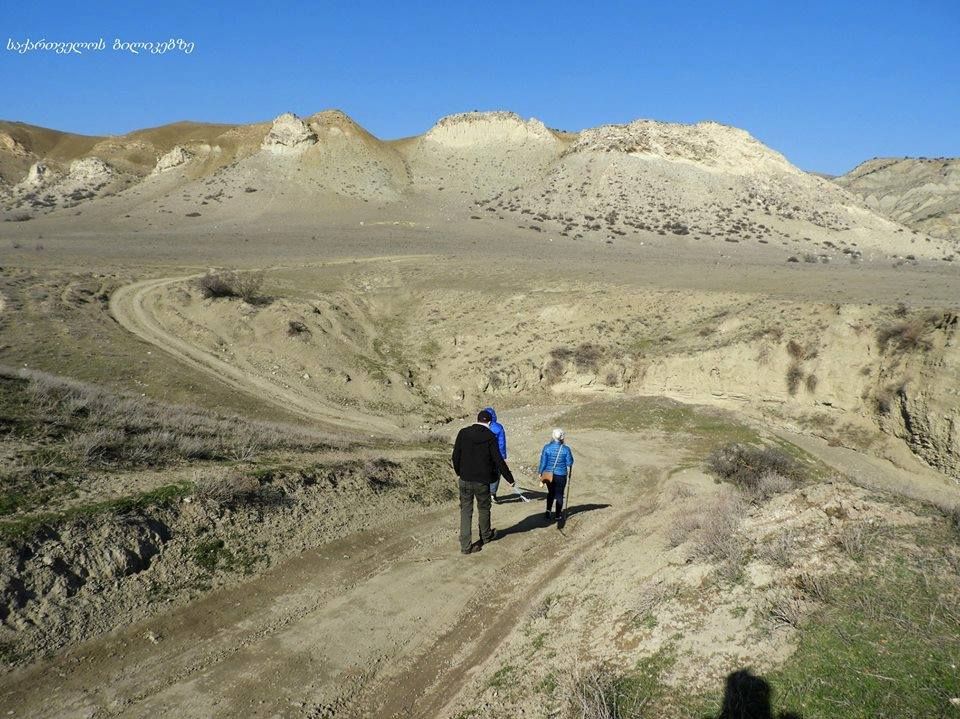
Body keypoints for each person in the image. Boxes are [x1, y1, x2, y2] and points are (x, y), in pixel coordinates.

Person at [452, 409, 516, 554]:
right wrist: (510, 479)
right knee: (484, 508)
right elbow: (498, 460)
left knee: (466, 511)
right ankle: (486, 536)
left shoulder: (463, 432)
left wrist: (459, 472)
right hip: (482, 481)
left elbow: (456, 455)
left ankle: (465, 546)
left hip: (465, 479)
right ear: (489, 422)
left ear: (477, 419)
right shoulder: (490, 436)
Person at [538, 428, 573, 523]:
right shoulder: (566, 449)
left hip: (548, 474)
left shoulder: (547, 447)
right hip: (561, 475)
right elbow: (569, 463)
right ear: (562, 437)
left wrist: (540, 472)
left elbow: (543, 462)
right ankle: (558, 515)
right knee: (559, 494)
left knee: (550, 493)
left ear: (553, 436)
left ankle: (548, 511)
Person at [483, 406, 508, 503]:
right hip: (496, 455)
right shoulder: (498, 427)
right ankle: (492, 493)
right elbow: (501, 443)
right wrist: (503, 457)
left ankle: (484, 493)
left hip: (484, 454)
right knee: (496, 474)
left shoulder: (481, 426)